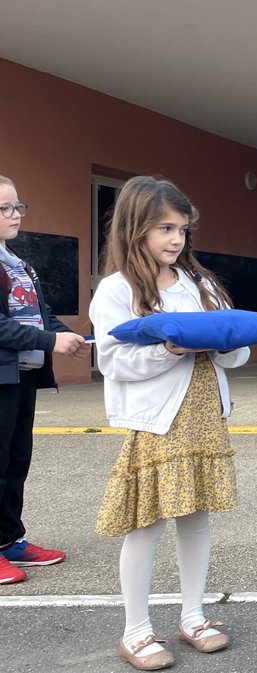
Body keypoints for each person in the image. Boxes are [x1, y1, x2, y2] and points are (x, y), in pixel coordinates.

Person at [91, 176, 250, 670]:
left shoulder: (199, 284)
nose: (176, 239)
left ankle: (193, 616)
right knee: (146, 523)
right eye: (164, 228)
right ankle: (135, 631)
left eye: (182, 229)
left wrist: (224, 345)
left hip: (204, 416)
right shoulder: (116, 291)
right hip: (156, 422)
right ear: (135, 227)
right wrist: (170, 349)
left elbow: (236, 348)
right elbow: (114, 362)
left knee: (196, 517)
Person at [0, 175, 90, 585]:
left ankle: (9, 540)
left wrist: (67, 336)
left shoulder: (19, 264)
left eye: (18, 206)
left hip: (22, 378)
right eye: (4, 209)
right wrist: (50, 340)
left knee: (16, 461)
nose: (15, 215)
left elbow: (42, 313)